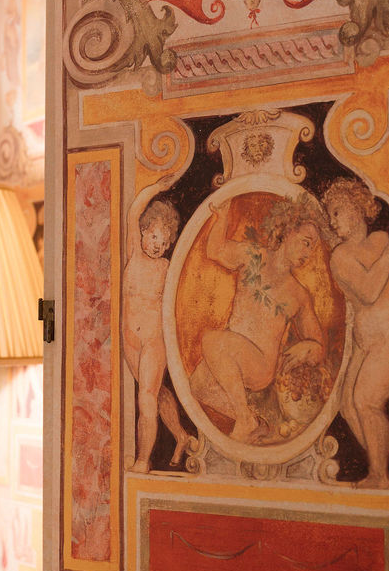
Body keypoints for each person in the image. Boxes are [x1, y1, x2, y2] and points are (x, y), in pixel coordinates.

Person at [192, 196, 326, 443]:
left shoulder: (298, 294)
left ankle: (245, 419)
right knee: (196, 386)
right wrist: (221, 218)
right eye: (306, 243)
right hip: (232, 354)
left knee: (212, 341)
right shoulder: (253, 255)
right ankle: (257, 421)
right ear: (287, 230)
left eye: (312, 247)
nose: (308, 253)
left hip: (260, 366)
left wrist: (310, 347)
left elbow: (318, 345)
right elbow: (215, 251)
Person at [322, 178, 389, 488]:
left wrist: (386, 253)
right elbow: (368, 290)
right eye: (330, 215)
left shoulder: (379, 240)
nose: (332, 222)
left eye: (337, 212)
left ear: (356, 208)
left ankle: (379, 474)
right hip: (367, 342)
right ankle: (381, 461)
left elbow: (375, 292)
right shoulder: (342, 256)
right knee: (348, 405)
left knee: (365, 400)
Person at [122, 194, 190, 473]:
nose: (157, 246)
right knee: (156, 393)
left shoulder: (166, 268)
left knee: (146, 398)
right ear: (143, 231)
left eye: (163, 243)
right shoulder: (134, 255)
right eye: (153, 237)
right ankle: (181, 436)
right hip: (131, 339)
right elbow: (132, 212)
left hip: (153, 339)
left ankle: (142, 460)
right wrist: (157, 187)